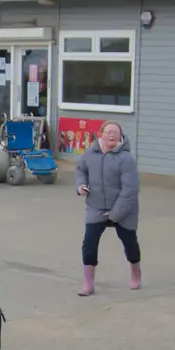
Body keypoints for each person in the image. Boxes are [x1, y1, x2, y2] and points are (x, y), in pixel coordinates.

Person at [74, 121, 141, 296]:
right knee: (89, 244)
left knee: (130, 243)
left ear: (121, 137)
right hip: (96, 207)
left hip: (123, 208)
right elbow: (80, 171)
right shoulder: (89, 154)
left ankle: (135, 272)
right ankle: (88, 283)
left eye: (116, 133)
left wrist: (115, 214)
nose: (112, 135)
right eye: (109, 132)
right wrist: (81, 186)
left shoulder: (126, 158)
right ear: (100, 134)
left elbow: (130, 190)